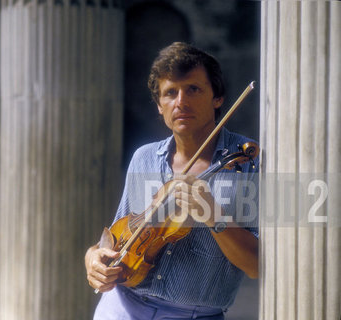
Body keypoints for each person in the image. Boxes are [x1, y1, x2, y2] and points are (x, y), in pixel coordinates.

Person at [85, 42, 259, 320]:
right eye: (170, 93)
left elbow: (257, 265)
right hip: (120, 307)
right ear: (159, 105)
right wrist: (93, 257)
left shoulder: (248, 161)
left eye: (193, 89)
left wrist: (215, 216)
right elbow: (116, 236)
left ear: (218, 98)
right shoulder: (143, 158)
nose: (181, 102)